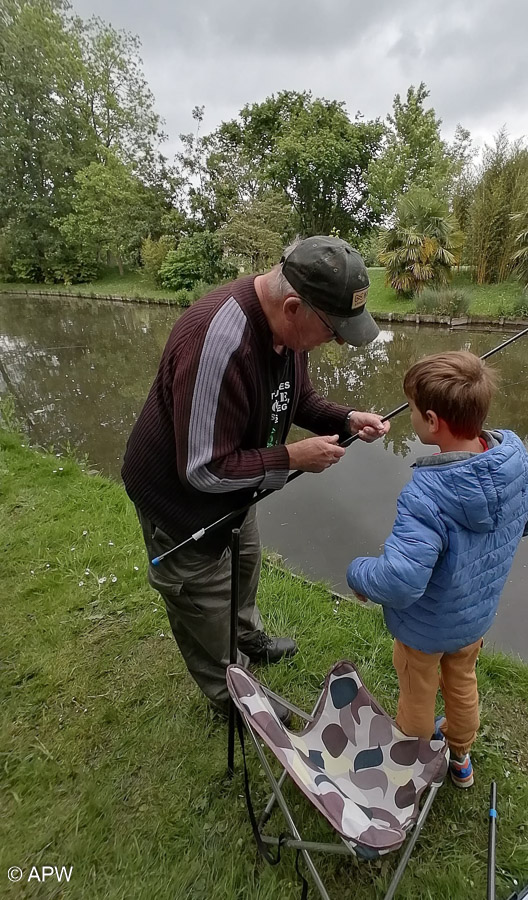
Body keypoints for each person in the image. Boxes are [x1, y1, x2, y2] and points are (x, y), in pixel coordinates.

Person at [122, 236, 389, 721]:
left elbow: (297, 400)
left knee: (245, 564)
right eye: (334, 331)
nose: (337, 342)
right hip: (181, 506)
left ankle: (248, 637)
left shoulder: (288, 331)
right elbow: (202, 469)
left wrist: (346, 418)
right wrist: (290, 457)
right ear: (294, 306)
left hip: (237, 490)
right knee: (204, 601)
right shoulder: (218, 342)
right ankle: (235, 695)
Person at [346, 351, 528, 787]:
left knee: (418, 691)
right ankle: (460, 760)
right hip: (475, 616)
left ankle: (410, 769)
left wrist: (358, 572)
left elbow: (400, 581)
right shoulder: (514, 457)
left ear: (432, 421)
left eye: (414, 411)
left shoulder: (426, 495)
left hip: (424, 628)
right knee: (461, 682)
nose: (412, 417)